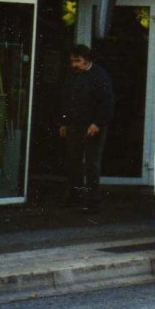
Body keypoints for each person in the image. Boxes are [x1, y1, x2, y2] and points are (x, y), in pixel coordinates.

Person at [60, 44, 115, 211]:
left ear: (87, 60)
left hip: (93, 126)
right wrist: (63, 122)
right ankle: (75, 196)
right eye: (72, 61)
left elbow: (107, 101)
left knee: (92, 163)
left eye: (78, 61)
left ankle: (93, 200)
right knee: (73, 161)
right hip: (74, 124)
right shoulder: (72, 75)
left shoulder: (100, 75)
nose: (74, 65)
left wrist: (97, 123)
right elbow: (65, 99)